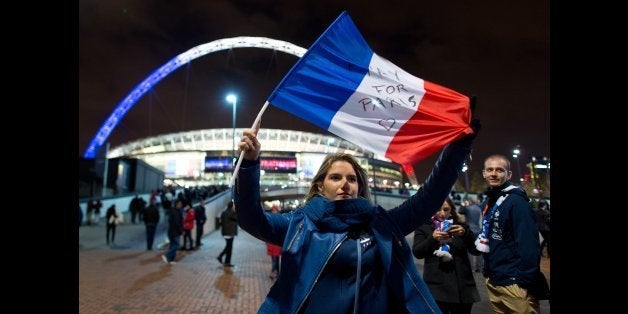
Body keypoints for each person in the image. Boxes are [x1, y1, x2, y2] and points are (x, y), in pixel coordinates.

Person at [233, 119, 479, 313]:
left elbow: (428, 199)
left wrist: (457, 148)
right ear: (320, 186)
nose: (345, 184)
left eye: (352, 179)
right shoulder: (298, 224)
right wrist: (248, 165)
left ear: (360, 187)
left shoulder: (380, 224)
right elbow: (250, 218)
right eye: (335, 177)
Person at [477, 154, 542, 313]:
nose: (494, 174)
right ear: (484, 173)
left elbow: (529, 244)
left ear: (509, 174)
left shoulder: (517, 202)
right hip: (494, 279)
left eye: (499, 170)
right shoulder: (489, 201)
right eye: (490, 170)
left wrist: (525, 281)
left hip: (514, 282)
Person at [412, 197, 481, 314]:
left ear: (451, 210)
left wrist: (466, 233)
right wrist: (432, 238)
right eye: (438, 209)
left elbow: (476, 251)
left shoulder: (460, 226)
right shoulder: (424, 227)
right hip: (437, 289)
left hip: (462, 289)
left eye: (446, 209)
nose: (442, 213)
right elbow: (417, 253)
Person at [458, 198, 484, 272]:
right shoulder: (480, 208)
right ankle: (480, 267)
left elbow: (460, 211)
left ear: (470, 202)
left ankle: (471, 267)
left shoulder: (468, 208)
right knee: (479, 248)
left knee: (469, 248)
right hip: (478, 229)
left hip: (470, 229)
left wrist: (463, 205)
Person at [217, 200, 237, 267]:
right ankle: (221, 257)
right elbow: (237, 218)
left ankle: (226, 262)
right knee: (229, 248)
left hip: (225, 232)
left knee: (228, 247)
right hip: (230, 233)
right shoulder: (232, 212)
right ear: (232, 206)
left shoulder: (224, 212)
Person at [266, 205, 282, 279]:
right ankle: (277, 273)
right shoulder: (270, 218)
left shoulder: (279, 219)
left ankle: (274, 272)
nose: (274, 211)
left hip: (276, 242)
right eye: (273, 210)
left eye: (275, 210)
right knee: (274, 259)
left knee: (275, 259)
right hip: (272, 242)